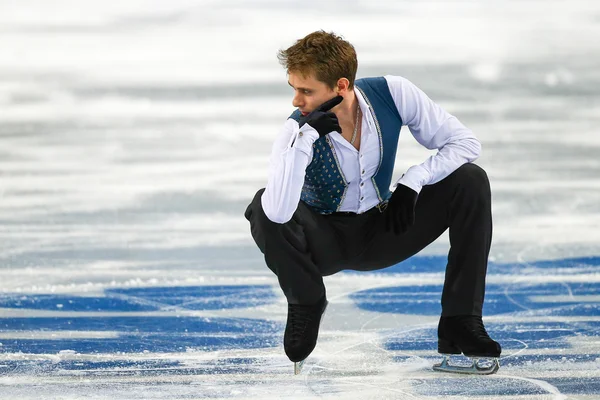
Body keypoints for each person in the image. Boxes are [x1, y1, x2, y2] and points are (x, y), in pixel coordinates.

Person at [244, 30, 501, 372]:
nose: (296, 101)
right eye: (294, 89)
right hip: (321, 244)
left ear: (341, 86)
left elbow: (465, 144)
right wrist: (305, 138)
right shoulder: (294, 131)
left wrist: (413, 181)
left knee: (470, 181)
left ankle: (460, 322)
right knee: (261, 204)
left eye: (306, 91)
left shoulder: (391, 94)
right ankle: (305, 300)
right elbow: (278, 213)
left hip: (383, 228)